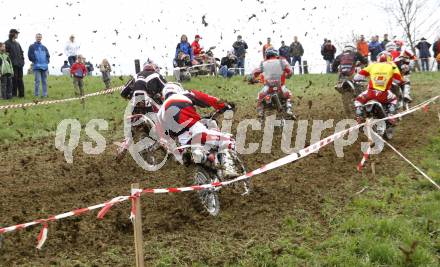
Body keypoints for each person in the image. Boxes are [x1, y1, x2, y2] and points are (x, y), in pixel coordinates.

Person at [157, 83, 237, 176]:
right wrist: (225, 106)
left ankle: (205, 159)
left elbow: (163, 136)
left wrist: (172, 149)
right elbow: (208, 99)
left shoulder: (159, 112)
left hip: (183, 140)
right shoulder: (185, 94)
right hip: (196, 129)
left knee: (203, 150)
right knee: (228, 140)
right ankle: (229, 168)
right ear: (178, 89)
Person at [353, 52, 402, 123]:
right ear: (390, 59)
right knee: (394, 98)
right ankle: (390, 114)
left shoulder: (372, 65)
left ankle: (359, 115)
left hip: (370, 94)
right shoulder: (392, 66)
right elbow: (398, 80)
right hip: (384, 94)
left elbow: (357, 77)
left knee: (358, 100)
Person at [252, 48, 294, 118]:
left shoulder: (263, 63)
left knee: (260, 96)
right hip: (280, 86)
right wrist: (287, 75)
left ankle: (260, 112)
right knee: (288, 95)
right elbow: (290, 71)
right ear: (276, 54)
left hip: (268, 87)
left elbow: (255, 72)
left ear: (267, 55)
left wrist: (252, 79)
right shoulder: (282, 61)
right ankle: (289, 110)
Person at [28, 33, 50, 98]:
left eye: (40, 37)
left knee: (45, 81)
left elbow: (48, 55)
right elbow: (29, 55)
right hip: (36, 66)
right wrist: (34, 61)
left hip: (44, 67)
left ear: (41, 38)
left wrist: (47, 61)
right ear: (35, 37)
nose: (39, 38)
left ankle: (45, 95)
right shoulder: (32, 46)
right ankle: (36, 95)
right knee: (37, 81)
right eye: (38, 37)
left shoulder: (44, 47)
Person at [5, 29, 25, 98]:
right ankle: (13, 94)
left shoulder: (17, 43)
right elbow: (5, 55)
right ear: (13, 34)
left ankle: (21, 95)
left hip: (19, 65)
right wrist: (9, 63)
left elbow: (21, 53)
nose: (17, 35)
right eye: (16, 33)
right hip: (12, 65)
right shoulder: (7, 43)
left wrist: (22, 61)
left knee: (20, 79)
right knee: (14, 79)